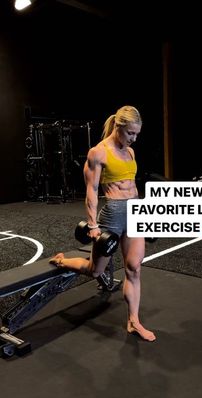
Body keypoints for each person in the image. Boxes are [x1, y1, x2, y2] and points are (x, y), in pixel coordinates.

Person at [50, 105, 156, 342]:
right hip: (112, 216)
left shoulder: (130, 153)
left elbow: (132, 185)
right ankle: (62, 261)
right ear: (118, 127)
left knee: (134, 268)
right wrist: (92, 225)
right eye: (130, 133)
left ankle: (133, 321)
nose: (134, 138)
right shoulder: (98, 152)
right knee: (94, 270)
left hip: (135, 212)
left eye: (137, 134)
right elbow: (92, 190)